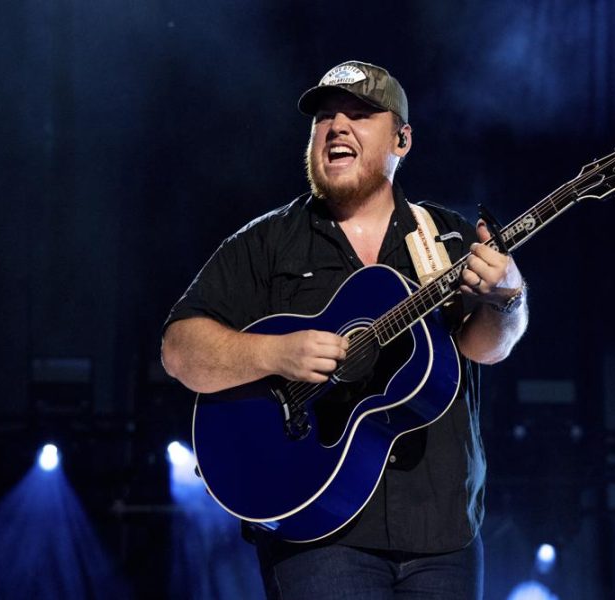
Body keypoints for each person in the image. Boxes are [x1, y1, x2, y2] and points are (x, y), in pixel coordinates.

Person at [161, 60, 528, 599]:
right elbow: (178, 349)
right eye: (325, 117)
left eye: (359, 114)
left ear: (401, 140)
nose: (337, 127)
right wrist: (275, 354)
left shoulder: (446, 238)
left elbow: (485, 349)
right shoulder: (267, 243)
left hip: (442, 530)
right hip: (315, 533)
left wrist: (508, 297)